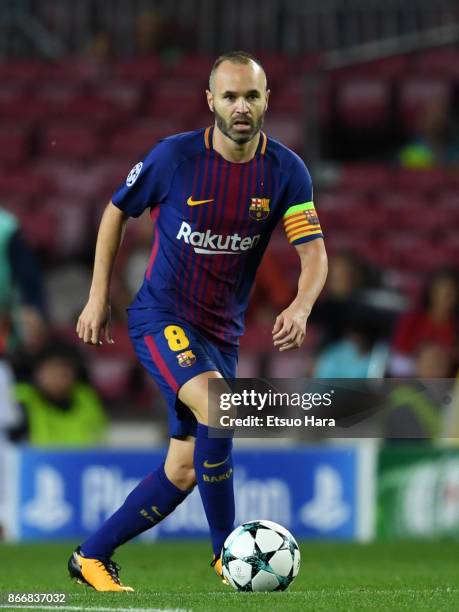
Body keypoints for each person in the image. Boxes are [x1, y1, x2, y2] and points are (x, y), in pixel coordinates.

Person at [68, 50, 328, 592]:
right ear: (210, 101)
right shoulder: (174, 159)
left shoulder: (286, 171)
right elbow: (117, 210)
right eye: (230, 96)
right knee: (221, 405)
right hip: (161, 315)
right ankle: (226, 551)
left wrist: (301, 306)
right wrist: (98, 297)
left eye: (251, 96)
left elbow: (314, 254)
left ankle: (90, 556)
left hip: (220, 335)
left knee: (184, 470)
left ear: (266, 102)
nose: (240, 106)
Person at [8, 342, 107, 447]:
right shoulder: (22, 398)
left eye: (64, 371)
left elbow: (100, 436)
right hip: (37, 461)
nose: (58, 377)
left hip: (85, 461)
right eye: (52, 370)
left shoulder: (86, 397)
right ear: (38, 372)